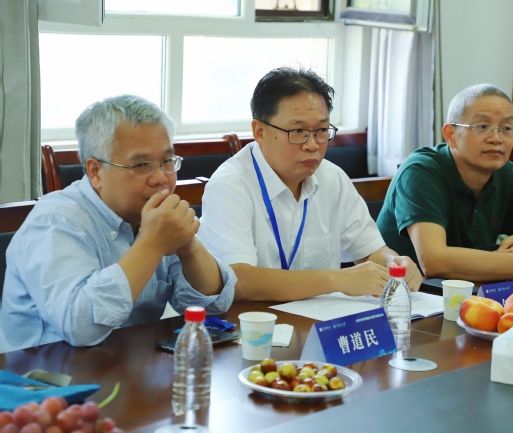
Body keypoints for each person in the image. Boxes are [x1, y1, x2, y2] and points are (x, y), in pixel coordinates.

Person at [0, 95, 236, 353]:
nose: (160, 178)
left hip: (127, 365)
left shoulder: (154, 215)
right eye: (141, 165)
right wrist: (152, 245)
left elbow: (214, 306)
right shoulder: (55, 221)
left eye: (167, 161)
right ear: (95, 172)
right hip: (44, 372)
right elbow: (80, 327)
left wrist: (188, 245)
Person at [198, 67, 422, 302]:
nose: (312, 144)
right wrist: (339, 280)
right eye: (298, 131)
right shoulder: (229, 186)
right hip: (253, 320)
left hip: (320, 319)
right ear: (260, 131)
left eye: (322, 130)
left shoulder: (333, 178)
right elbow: (238, 280)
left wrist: (394, 263)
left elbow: (370, 251)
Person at [376, 83, 513, 282]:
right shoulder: (421, 171)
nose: (496, 138)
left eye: (507, 128)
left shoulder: (506, 173)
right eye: (482, 126)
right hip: (405, 294)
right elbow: (434, 261)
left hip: (471, 292)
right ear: (450, 135)